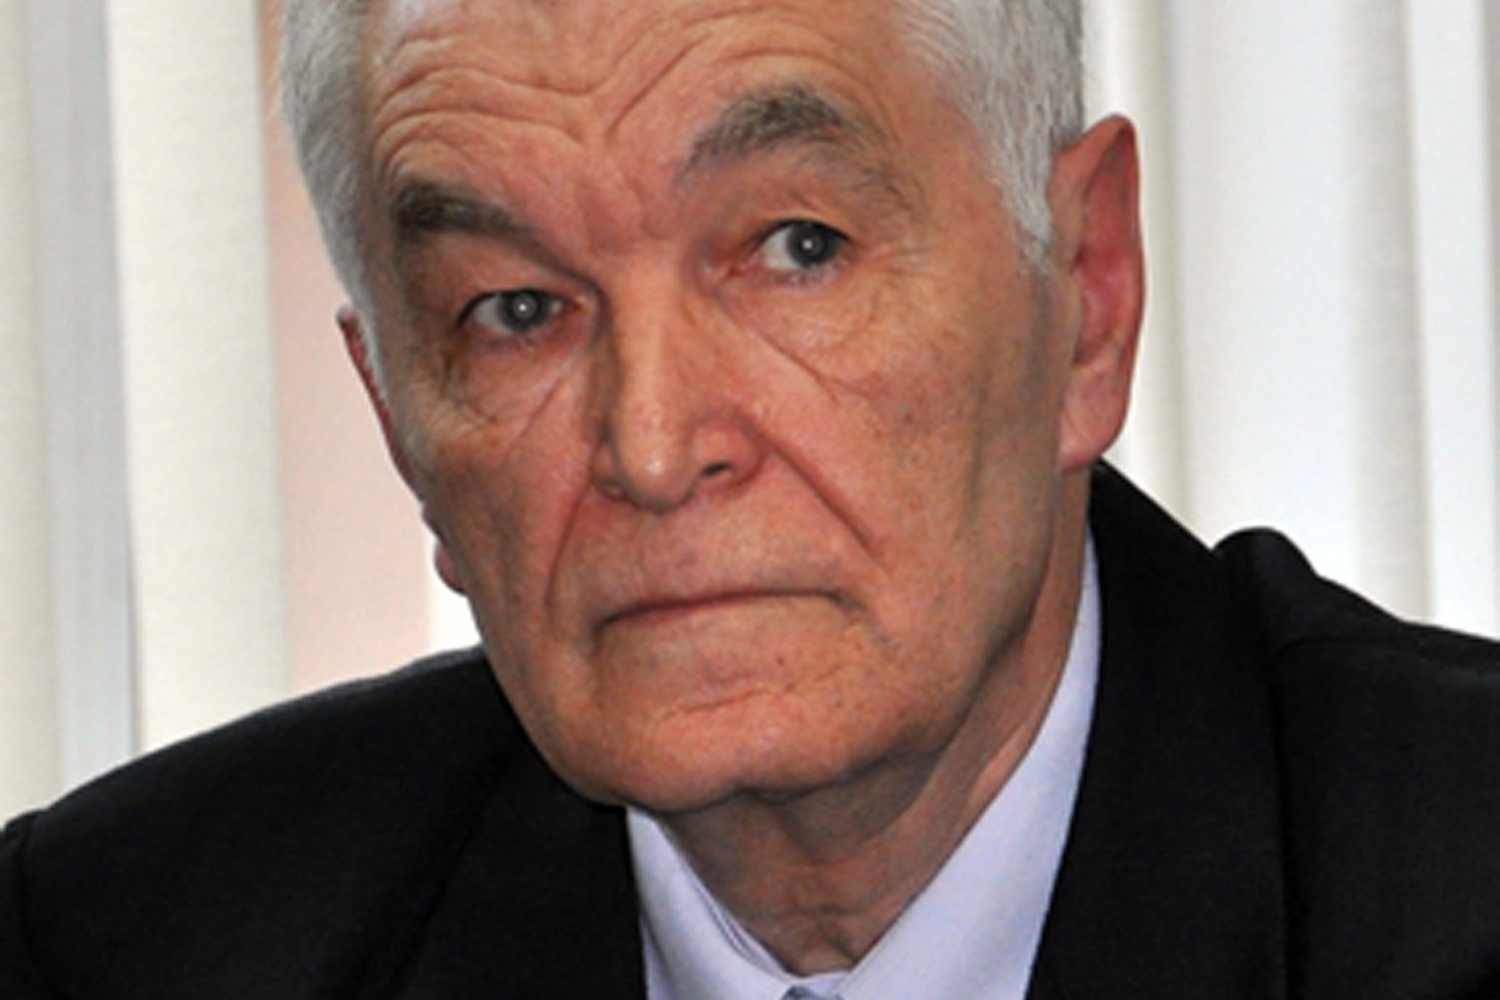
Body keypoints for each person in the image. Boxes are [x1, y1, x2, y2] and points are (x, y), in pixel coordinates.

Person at [4, 0, 1500, 996]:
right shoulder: (129, 946)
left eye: (796, 248)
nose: (655, 448)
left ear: (1086, 296)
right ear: (397, 419)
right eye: (517, 311)